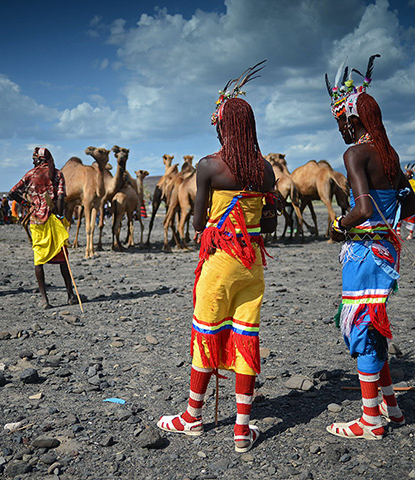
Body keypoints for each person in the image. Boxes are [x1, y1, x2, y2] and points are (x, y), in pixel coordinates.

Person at [157, 61, 277, 454]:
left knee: (205, 335)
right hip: (252, 268)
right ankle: (242, 430)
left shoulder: (210, 166)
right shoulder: (265, 171)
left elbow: (197, 221)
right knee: (246, 339)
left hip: (219, 263)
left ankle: (192, 417)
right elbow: (272, 224)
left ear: (224, 126)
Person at [324, 55, 415, 440]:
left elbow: (361, 209)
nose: (341, 130)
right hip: (387, 250)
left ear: (351, 119)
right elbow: (411, 205)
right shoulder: (390, 155)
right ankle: (391, 408)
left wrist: (337, 224)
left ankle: (370, 421)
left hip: (364, 251)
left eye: (341, 122)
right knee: (372, 325)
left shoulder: (356, 154)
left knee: (361, 328)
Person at [9, 147, 78, 309]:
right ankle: (70, 295)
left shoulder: (30, 175)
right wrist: (60, 215)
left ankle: (45, 300)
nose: (32, 161)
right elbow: (61, 197)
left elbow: (12, 193)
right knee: (63, 259)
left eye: (34, 158)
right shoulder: (57, 174)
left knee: (38, 259)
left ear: (39, 160)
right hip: (54, 219)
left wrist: (29, 204)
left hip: (36, 221)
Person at [394, 164, 415, 240]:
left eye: (407, 174)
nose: (406, 175)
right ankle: (398, 233)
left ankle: (410, 234)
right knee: (398, 217)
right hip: (402, 203)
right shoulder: (403, 182)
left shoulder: (413, 183)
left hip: (409, 203)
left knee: (411, 219)